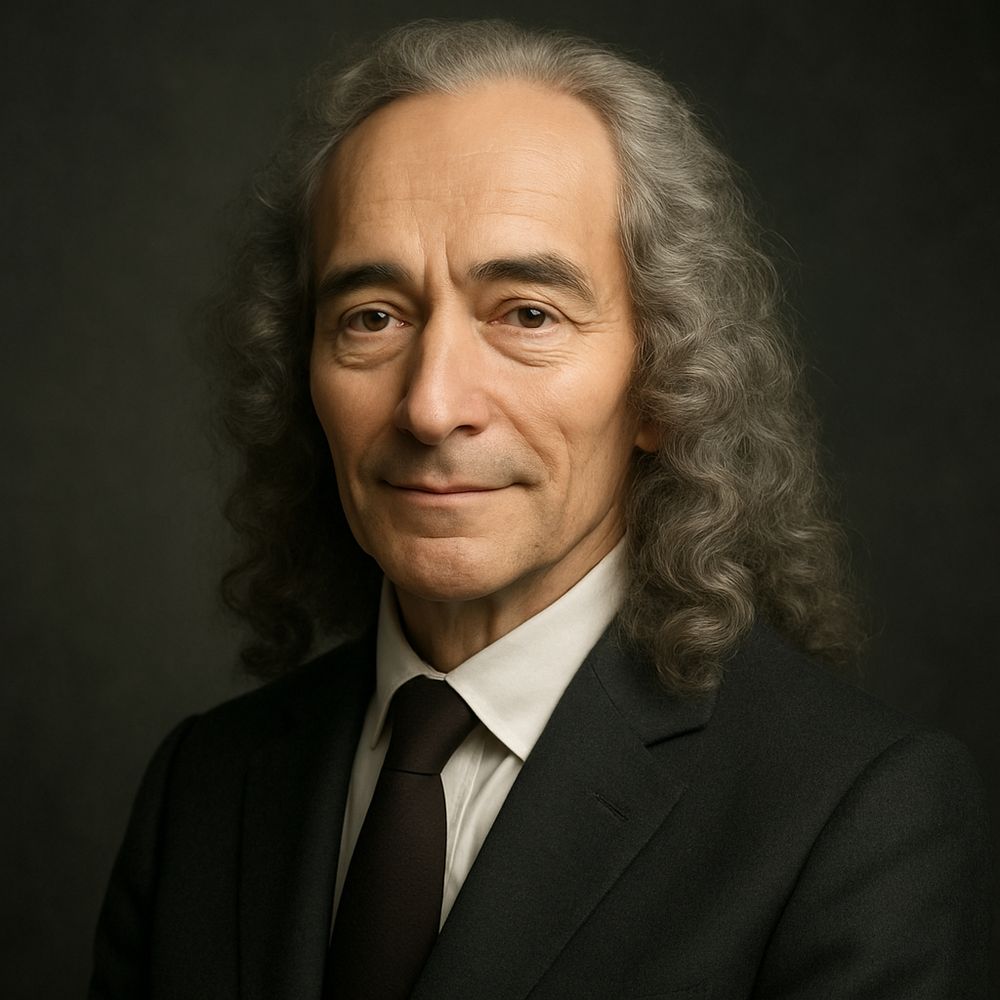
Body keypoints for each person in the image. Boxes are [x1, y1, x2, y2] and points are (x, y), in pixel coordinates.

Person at [88, 19, 991, 999]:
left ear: (664, 383)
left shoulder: (851, 815)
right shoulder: (202, 786)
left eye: (527, 314)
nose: (431, 405)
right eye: (372, 318)